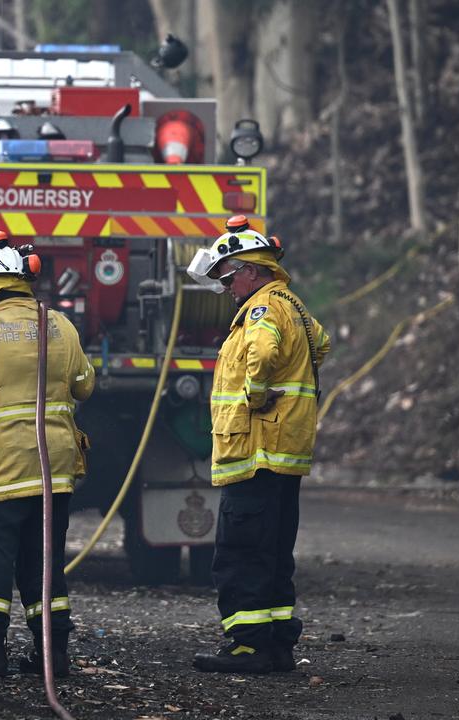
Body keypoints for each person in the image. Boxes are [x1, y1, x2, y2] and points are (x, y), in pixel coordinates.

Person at [0, 231, 95, 678]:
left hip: (1, 472)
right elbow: (85, 385)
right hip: (54, 472)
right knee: (43, 565)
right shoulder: (60, 325)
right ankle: (53, 656)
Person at [186, 216, 330, 674]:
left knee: (240, 551)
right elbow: (320, 345)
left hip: (256, 450)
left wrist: (256, 391)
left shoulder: (261, 310)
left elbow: (264, 353)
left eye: (229, 277)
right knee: (273, 552)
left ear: (251, 269)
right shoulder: (294, 305)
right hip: (282, 452)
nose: (227, 287)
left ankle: (248, 646)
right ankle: (276, 645)